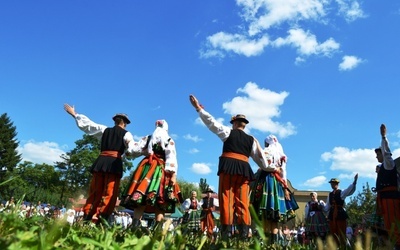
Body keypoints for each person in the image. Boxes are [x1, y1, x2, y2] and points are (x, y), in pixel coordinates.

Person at [189, 94, 270, 242]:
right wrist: (269, 168)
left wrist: (198, 108)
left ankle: (226, 234)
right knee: (243, 201)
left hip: (228, 168)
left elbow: (211, 123)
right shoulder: (252, 140)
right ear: (244, 124)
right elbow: (261, 158)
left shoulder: (228, 132)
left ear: (234, 123)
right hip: (244, 170)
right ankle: (244, 234)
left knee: (226, 198)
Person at [64, 103, 135, 223]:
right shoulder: (126, 134)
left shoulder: (104, 130)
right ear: (125, 123)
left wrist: (75, 114)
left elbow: (89, 126)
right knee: (110, 192)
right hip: (114, 164)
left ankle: (88, 216)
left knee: (95, 190)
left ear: (115, 121)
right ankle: (102, 218)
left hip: (101, 162)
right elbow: (132, 148)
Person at [121, 119, 183, 231]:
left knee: (143, 197)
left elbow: (134, 149)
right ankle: (156, 229)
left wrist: (128, 141)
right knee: (160, 199)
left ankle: (136, 226)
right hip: (161, 169)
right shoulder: (168, 140)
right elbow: (171, 157)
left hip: (146, 167)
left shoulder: (149, 138)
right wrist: (173, 175)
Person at [251, 135, 299, 242]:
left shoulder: (267, 151)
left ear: (267, 143)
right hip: (278, 183)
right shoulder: (281, 155)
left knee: (267, 214)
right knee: (274, 217)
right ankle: (275, 244)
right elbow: (283, 173)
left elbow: (265, 165)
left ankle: (268, 242)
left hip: (267, 180)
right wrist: (285, 188)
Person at [374, 124, 400, 249]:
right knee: (387, 224)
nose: (376, 157)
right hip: (384, 199)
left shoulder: (388, 163)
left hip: (391, 199)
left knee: (393, 223)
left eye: (378, 154)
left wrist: (383, 137)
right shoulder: (383, 167)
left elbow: (387, 153)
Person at [324, 174, 358, 247]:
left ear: (337, 184)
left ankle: (343, 245)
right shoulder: (329, 194)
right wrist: (321, 208)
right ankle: (335, 246)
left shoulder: (341, 192)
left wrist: (354, 182)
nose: (332, 185)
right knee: (333, 231)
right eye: (332, 184)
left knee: (341, 230)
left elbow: (348, 190)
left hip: (340, 213)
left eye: (334, 184)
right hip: (332, 214)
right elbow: (327, 206)